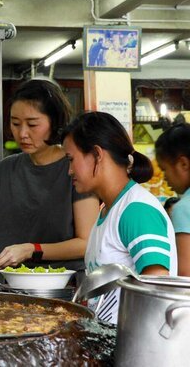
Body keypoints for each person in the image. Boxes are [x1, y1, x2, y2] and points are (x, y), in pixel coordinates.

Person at [0, 78, 99, 274]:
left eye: (32, 124)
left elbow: (86, 243)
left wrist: (32, 250)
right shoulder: (6, 168)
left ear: (55, 122)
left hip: (63, 285)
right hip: (10, 284)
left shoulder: (74, 169)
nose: (22, 133)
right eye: (15, 123)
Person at [62, 111, 176, 324]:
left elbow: (158, 287)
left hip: (136, 348)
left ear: (97, 154)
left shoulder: (136, 210)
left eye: (71, 159)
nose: (69, 171)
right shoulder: (107, 210)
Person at [155, 122, 190, 276]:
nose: (165, 178)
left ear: (183, 164)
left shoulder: (183, 209)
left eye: (164, 169)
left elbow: (186, 277)